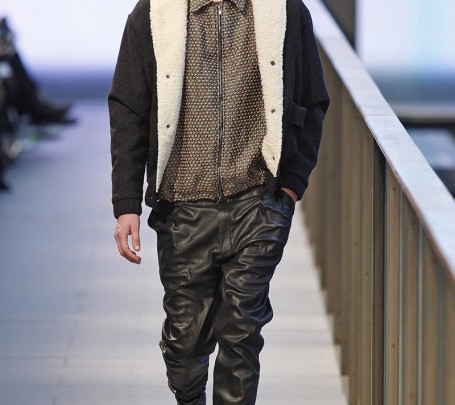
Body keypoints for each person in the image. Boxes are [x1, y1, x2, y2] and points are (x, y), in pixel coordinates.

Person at [109, 0, 329, 404]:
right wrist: (126, 203)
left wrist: (291, 185)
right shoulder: (154, 13)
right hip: (181, 207)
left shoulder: (284, 10)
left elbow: (313, 99)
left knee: (242, 333)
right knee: (185, 343)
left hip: (258, 201)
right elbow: (128, 108)